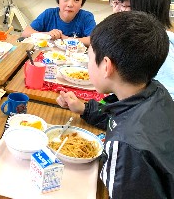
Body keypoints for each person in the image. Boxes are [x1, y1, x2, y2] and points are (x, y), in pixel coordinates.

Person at [57, 11, 174, 198]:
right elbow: (121, 117)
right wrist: (85, 109)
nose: (88, 64)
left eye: (89, 58)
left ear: (106, 66)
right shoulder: (154, 91)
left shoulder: (126, 146)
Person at [109, 0, 174, 99]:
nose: (116, 10)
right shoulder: (130, 38)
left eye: (125, 5)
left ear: (150, 9)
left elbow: (167, 102)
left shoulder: (160, 50)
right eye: (115, 2)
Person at [22, 0, 96, 46]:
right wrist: (47, 34)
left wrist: (66, 39)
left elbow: (94, 40)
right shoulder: (49, 14)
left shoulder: (86, 17)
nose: (70, 4)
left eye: (76, 0)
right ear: (58, 0)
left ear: (82, 3)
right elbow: (26, 33)